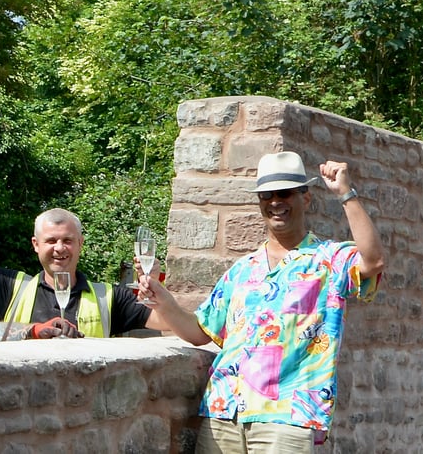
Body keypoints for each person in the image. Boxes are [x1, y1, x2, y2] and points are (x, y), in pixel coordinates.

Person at [137, 151, 385, 453]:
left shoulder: (329, 260)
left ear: (305, 199)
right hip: (224, 410)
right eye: (267, 195)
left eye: (285, 193)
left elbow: (373, 261)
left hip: (288, 416)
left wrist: (346, 194)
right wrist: (163, 301)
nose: (275, 202)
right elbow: (199, 332)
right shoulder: (243, 269)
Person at [0, 170, 169, 338]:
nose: (59, 248)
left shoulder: (109, 297)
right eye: (51, 241)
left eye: (68, 241)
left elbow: (166, 322)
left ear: (80, 244)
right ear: (35, 244)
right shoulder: (11, 287)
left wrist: (154, 287)